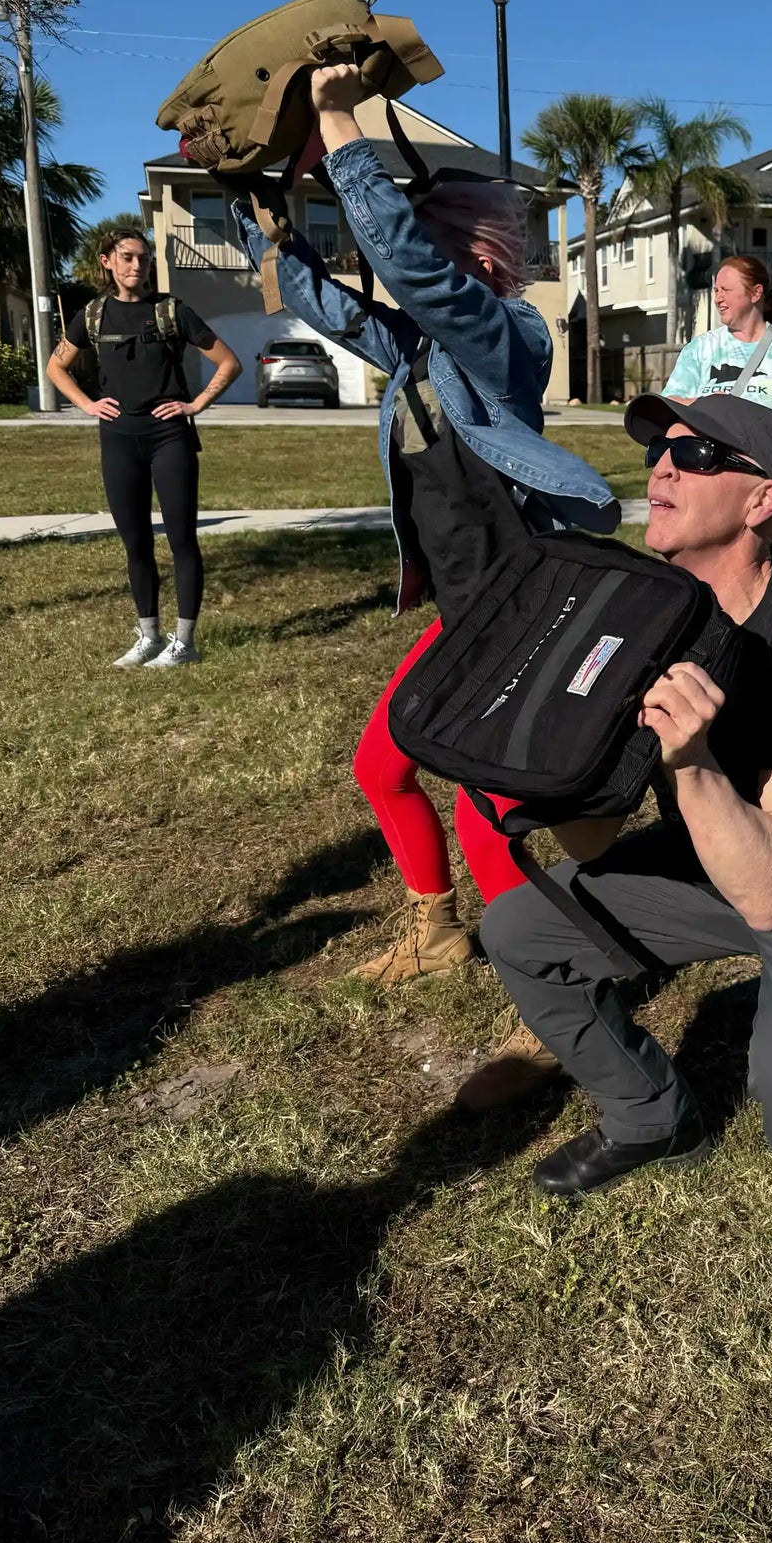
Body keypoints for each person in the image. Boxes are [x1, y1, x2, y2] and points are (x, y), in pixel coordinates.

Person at [478, 392, 772, 1401]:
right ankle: (650, 1114)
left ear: (764, 497)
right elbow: (595, 838)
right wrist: (546, 761)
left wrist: (687, 761)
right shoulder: (640, 619)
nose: (663, 468)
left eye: (695, 451)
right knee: (520, 926)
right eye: (658, 451)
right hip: (717, 865)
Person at [230, 66, 619, 1108]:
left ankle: (548, 993)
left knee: (491, 801)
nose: (409, 274)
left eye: (435, 251)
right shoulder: (417, 354)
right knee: (383, 765)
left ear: (482, 256)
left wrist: (342, 124)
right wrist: (272, 206)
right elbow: (324, 298)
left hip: (520, 603)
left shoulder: (504, 336)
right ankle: (437, 928)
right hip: (465, 608)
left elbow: (415, 275)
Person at [46, 229, 241, 668]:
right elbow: (57, 367)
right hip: (117, 439)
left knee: (181, 540)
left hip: (169, 437)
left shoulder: (172, 311)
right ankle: (149, 637)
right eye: (129, 258)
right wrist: (88, 405)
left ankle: (185, 643)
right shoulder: (92, 315)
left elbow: (229, 362)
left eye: (144, 259)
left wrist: (194, 404)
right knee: (135, 543)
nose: (138, 266)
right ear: (107, 262)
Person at [664, 254, 772, 578]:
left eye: (726, 289)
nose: (717, 298)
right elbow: (671, 400)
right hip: (713, 479)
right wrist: (706, 399)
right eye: (716, 290)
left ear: (755, 293)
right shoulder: (702, 349)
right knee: (715, 569)